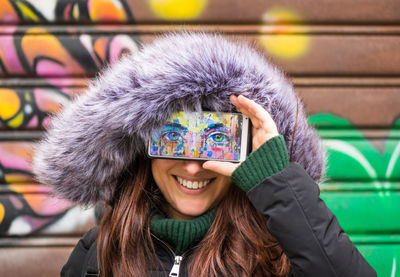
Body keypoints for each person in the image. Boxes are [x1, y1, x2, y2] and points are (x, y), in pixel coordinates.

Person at [33, 32, 376, 277]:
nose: (195, 166)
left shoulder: (280, 253)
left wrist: (275, 178)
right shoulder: (99, 252)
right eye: (174, 138)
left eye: (217, 140)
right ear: (143, 151)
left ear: (245, 155)